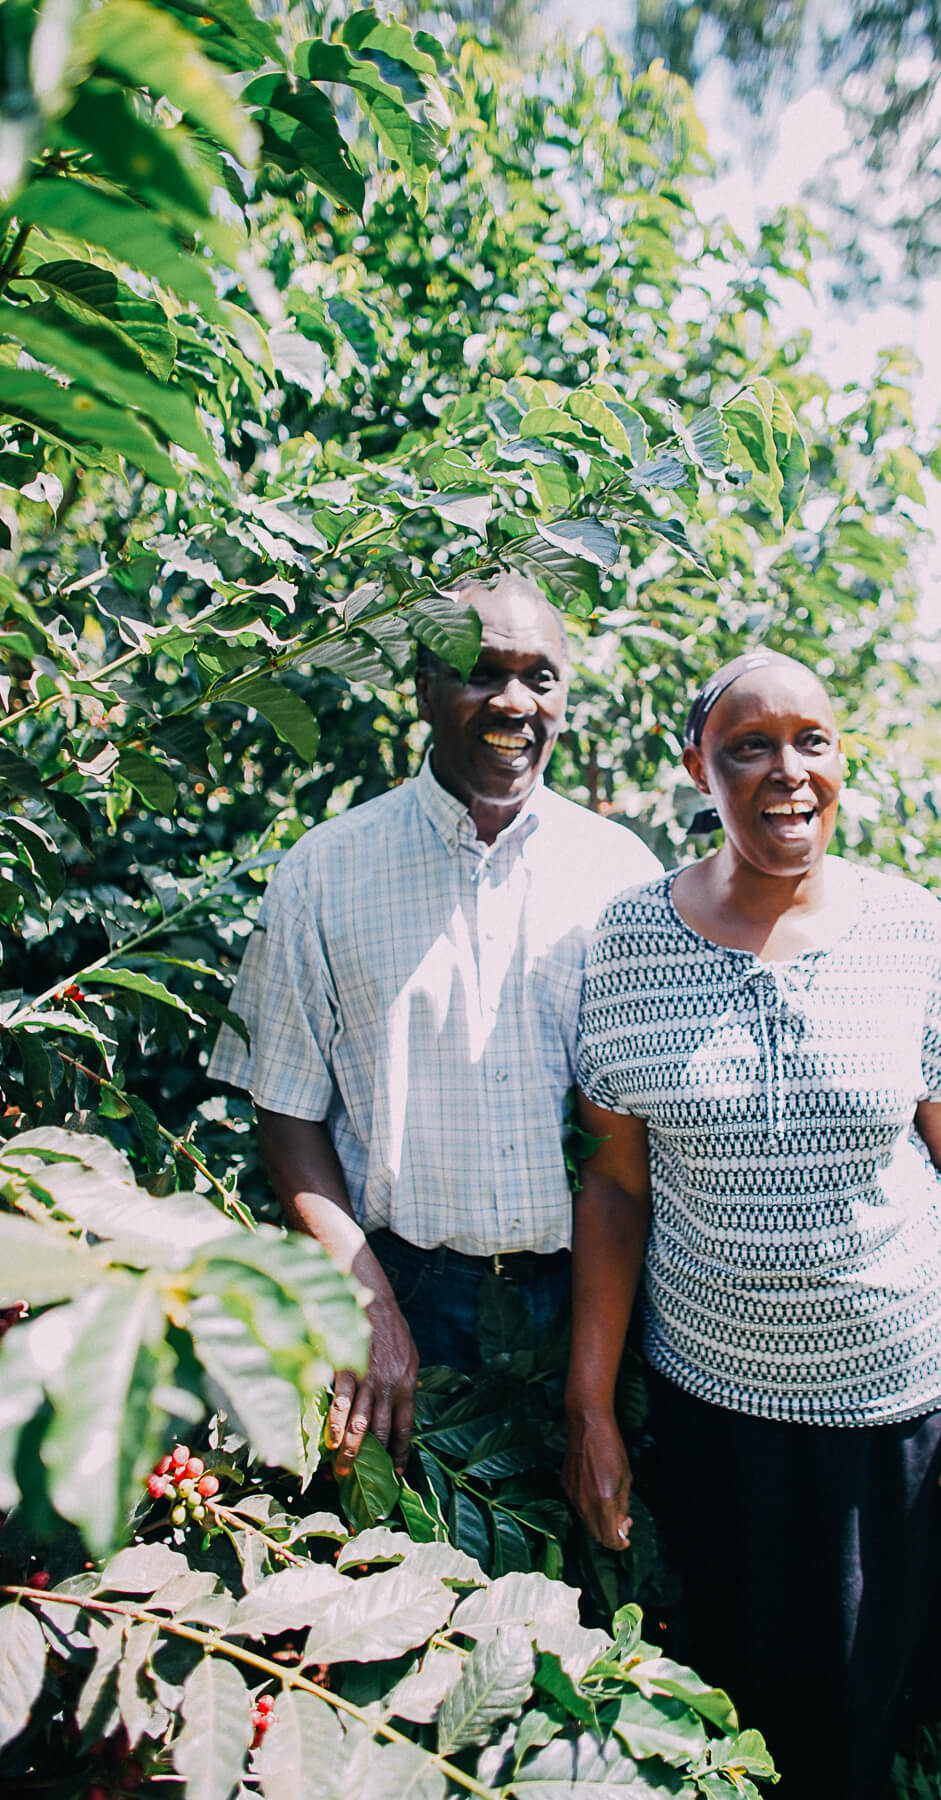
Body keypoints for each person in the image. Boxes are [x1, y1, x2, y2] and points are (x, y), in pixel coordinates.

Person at [562, 649, 941, 1800]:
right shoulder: (628, 946)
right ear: (697, 769)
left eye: (811, 742)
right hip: (717, 1404)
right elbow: (617, 1189)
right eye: (749, 747)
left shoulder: (911, 933)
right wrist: (589, 1405)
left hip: (897, 1399)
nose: (786, 773)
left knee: (871, 1702)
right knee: (736, 1702)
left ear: (842, 759)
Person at [209, 572, 660, 1475]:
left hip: (587, 1295)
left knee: (590, 1578)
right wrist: (361, 1296)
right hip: (405, 1287)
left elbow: (645, 1129)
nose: (513, 702)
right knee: (410, 1585)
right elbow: (286, 1108)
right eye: (480, 673)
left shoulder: (624, 878)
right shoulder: (326, 872)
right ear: (422, 687)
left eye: (541, 676)